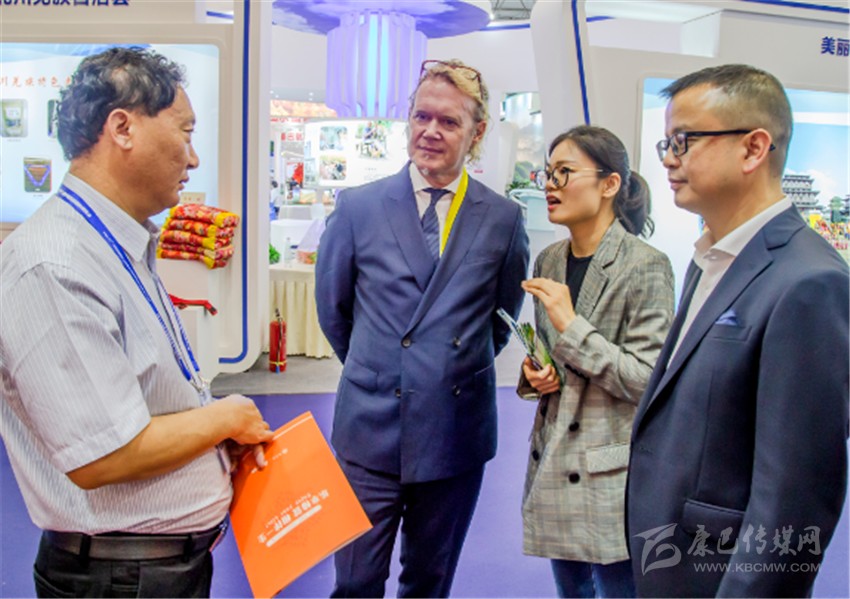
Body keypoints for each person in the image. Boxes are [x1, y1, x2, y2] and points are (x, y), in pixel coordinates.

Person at [0, 47, 274, 598]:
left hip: (151, 569)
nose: (193, 159)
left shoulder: (114, 243)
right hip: (120, 579)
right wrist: (223, 418)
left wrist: (207, 439)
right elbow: (103, 454)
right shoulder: (56, 263)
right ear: (122, 128)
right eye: (186, 132)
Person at [626, 64, 849, 597]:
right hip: (668, 559)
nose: (669, 159)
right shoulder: (710, 259)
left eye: (684, 140)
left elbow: (794, 496)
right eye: (666, 142)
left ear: (753, 149)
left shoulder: (808, 283)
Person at [315, 58, 530, 598]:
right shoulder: (359, 208)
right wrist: (382, 364)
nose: (431, 131)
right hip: (370, 427)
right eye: (421, 117)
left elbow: (499, 319)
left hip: (455, 429)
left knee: (430, 582)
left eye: (449, 122)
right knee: (355, 581)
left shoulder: (502, 219)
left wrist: (445, 369)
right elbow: (334, 310)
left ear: (477, 132)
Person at [517, 126, 674, 598]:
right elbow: (553, 358)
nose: (550, 184)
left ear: (610, 184)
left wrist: (571, 327)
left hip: (611, 469)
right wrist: (536, 375)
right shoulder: (549, 260)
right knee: (571, 590)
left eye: (564, 172)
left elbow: (647, 379)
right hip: (553, 455)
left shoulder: (645, 265)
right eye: (547, 173)